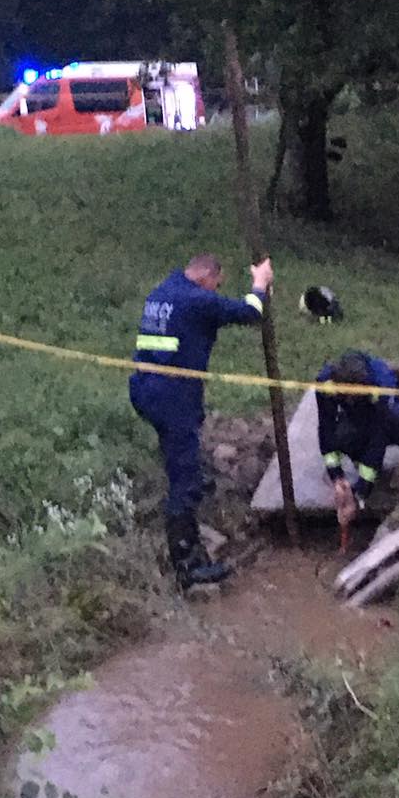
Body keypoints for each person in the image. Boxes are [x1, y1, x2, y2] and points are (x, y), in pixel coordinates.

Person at [129, 253, 273, 590]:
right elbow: (250, 312)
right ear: (206, 276)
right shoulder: (197, 300)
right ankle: (187, 566)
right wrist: (261, 282)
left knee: (179, 454)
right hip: (172, 396)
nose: (215, 291)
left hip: (145, 388)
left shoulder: (163, 291)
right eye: (216, 285)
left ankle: (187, 481)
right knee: (186, 479)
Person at [316, 350, 399, 526]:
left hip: (393, 414)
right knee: (344, 435)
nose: (349, 398)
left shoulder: (381, 386)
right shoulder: (326, 384)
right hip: (359, 415)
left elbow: (378, 440)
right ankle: (363, 468)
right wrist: (337, 476)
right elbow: (326, 428)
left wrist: (360, 492)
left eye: (353, 395)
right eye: (346, 394)